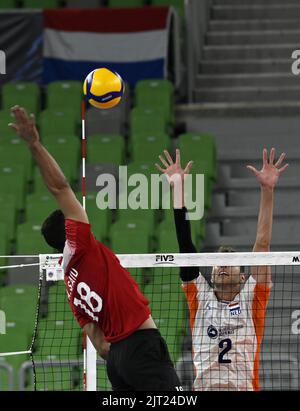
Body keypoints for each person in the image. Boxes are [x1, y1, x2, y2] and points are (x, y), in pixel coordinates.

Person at [9, 106, 182, 391]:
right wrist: (34, 144)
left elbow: (100, 344)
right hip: (141, 347)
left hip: (117, 361)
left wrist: (123, 359)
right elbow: (61, 188)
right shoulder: (82, 243)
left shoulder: (69, 283)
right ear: (69, 228)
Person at [155, 148, 289, 391]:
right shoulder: (199, 295)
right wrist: (178, 188)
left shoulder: (253, 297)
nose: (223, 265)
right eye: (217, 262)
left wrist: (267, 190)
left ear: (243, 275)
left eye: (231, 261)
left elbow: (262, 244)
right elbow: (186, 245)